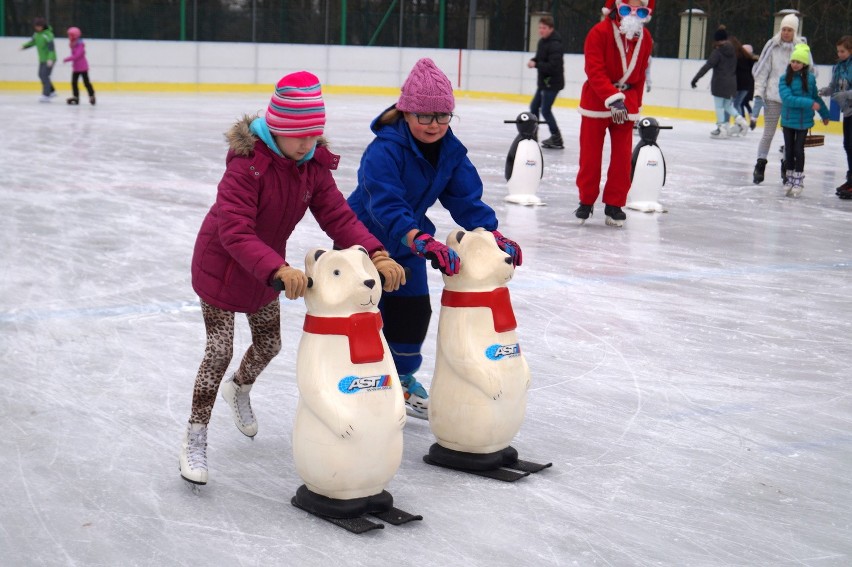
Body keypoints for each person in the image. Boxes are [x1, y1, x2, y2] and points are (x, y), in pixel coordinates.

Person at [179, 71, 406, 486]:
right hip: (223, 267)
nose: (308, 143)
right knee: (219, 350)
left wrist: (375, 253)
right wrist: (278, 269)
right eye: (298, 135)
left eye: (314, 134)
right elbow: (234, 231)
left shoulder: (311, 166)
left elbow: (337, 214)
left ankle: (239, 388)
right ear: (277, 130)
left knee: (269, 343)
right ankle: (196, 435)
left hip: (265, 270)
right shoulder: (247, 167)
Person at [346, 58, 523, 419]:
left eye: (443, 116)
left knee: (412, 315)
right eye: (424, 116)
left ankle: (401, 379)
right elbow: (385, 204)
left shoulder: (450, 152)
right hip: (364, 241)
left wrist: (491, 234)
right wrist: (420, 239)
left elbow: (466, 199)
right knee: (366, 318)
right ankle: (359, 388)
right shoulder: (384, 150)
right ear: (407, 112)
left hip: (409, 242)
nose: (434, 125)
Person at [575, 0, 653, 227]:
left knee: (621, 158)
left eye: (640, 10)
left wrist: (633, 106)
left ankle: (614, 204)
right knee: (590, 156)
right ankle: (586, 201)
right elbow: (594, 70)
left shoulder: (645, 39)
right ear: (617, 9)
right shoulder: (598, 33)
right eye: (628, 9)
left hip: (626, 105)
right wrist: (613, 99)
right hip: (597, 101)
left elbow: (639, 76)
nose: (633, 14)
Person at [751, 13, 808, 184]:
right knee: (768, 133)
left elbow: (809, 71)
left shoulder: (800, 48)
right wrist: (759, 94)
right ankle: (760, 163)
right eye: (783, 29)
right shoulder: (772, 46)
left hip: (792, 101)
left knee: (789, 137)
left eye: (789, 30)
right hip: (773, 97)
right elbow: (761, 72)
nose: (786, 32)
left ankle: (787, 165)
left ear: (795, 31)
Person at [779, 44, 830, 197]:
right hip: (788, 120)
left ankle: (798, 178)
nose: (795, 64)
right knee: (788, 150)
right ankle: (788, 177)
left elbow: (815, 98)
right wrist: (809, 104)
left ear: (804, 64)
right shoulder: (784, 79)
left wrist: (824, 113)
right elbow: (787, 99)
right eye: (793, 61)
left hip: (803, 121)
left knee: (798, 150)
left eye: (798, 62)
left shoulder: (810, 79)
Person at [690, 26, 749, 139]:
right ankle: (742, 122)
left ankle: (721, 128)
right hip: (731, 83)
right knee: (727, 105)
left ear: (717, 40)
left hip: (720, 83)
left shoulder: (718, 52)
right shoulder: (733, 50)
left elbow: (707, 66)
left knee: (719, 106)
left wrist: (695, 78)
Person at [819, 36, 852, 198]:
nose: (839, 54)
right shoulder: (839, 66)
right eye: (838, 51)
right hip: (848, 111)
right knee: (848, 145)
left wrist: (845, 95)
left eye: (843, 51)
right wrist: (827, 90)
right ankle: (851, 179)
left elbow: (846, 91)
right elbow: (834, 86)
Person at [527, 15, 565, 149]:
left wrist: (536, 65)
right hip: (543, 82)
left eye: (544, 28)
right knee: (533, 107)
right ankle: (532, 133)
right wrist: (534, 61)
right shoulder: (542, 42)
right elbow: (539, 58)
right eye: (540, 27)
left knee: (545, 110)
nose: (541, 30)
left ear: (551, 29)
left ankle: (557, 137)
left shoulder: (555, 44)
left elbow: (553, 66)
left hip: (552, 83)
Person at [20, 17, 56, 102]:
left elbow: (51, 48)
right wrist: (24, 46)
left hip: (50, 58)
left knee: (44, 75)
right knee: (40, 74)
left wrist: (50, 59)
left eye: (39, 26)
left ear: (43, 26)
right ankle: (52, 91)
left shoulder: (48, 35)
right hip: (42, 59)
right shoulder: (36, 35)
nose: (37, 28)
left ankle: (46, 95)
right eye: (36, 26)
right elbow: (32, 42)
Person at [62, 27, 96, 105]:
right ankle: (76, 97)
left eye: (71, 35)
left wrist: (67, 59)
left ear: (75, 35)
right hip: (76, 68)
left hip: (83, 67)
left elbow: (77, 56)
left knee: (86, 82)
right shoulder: (73, 44)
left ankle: (92, 96)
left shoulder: (80, 44)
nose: (69, 37)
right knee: (74, 83)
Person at [732, 38, 759, 129]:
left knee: (739, 103)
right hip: (748, 85)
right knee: (741, 103)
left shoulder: (740, 59)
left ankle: (741, 121)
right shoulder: (750, 60)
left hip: (741, 85)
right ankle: (746, 119)